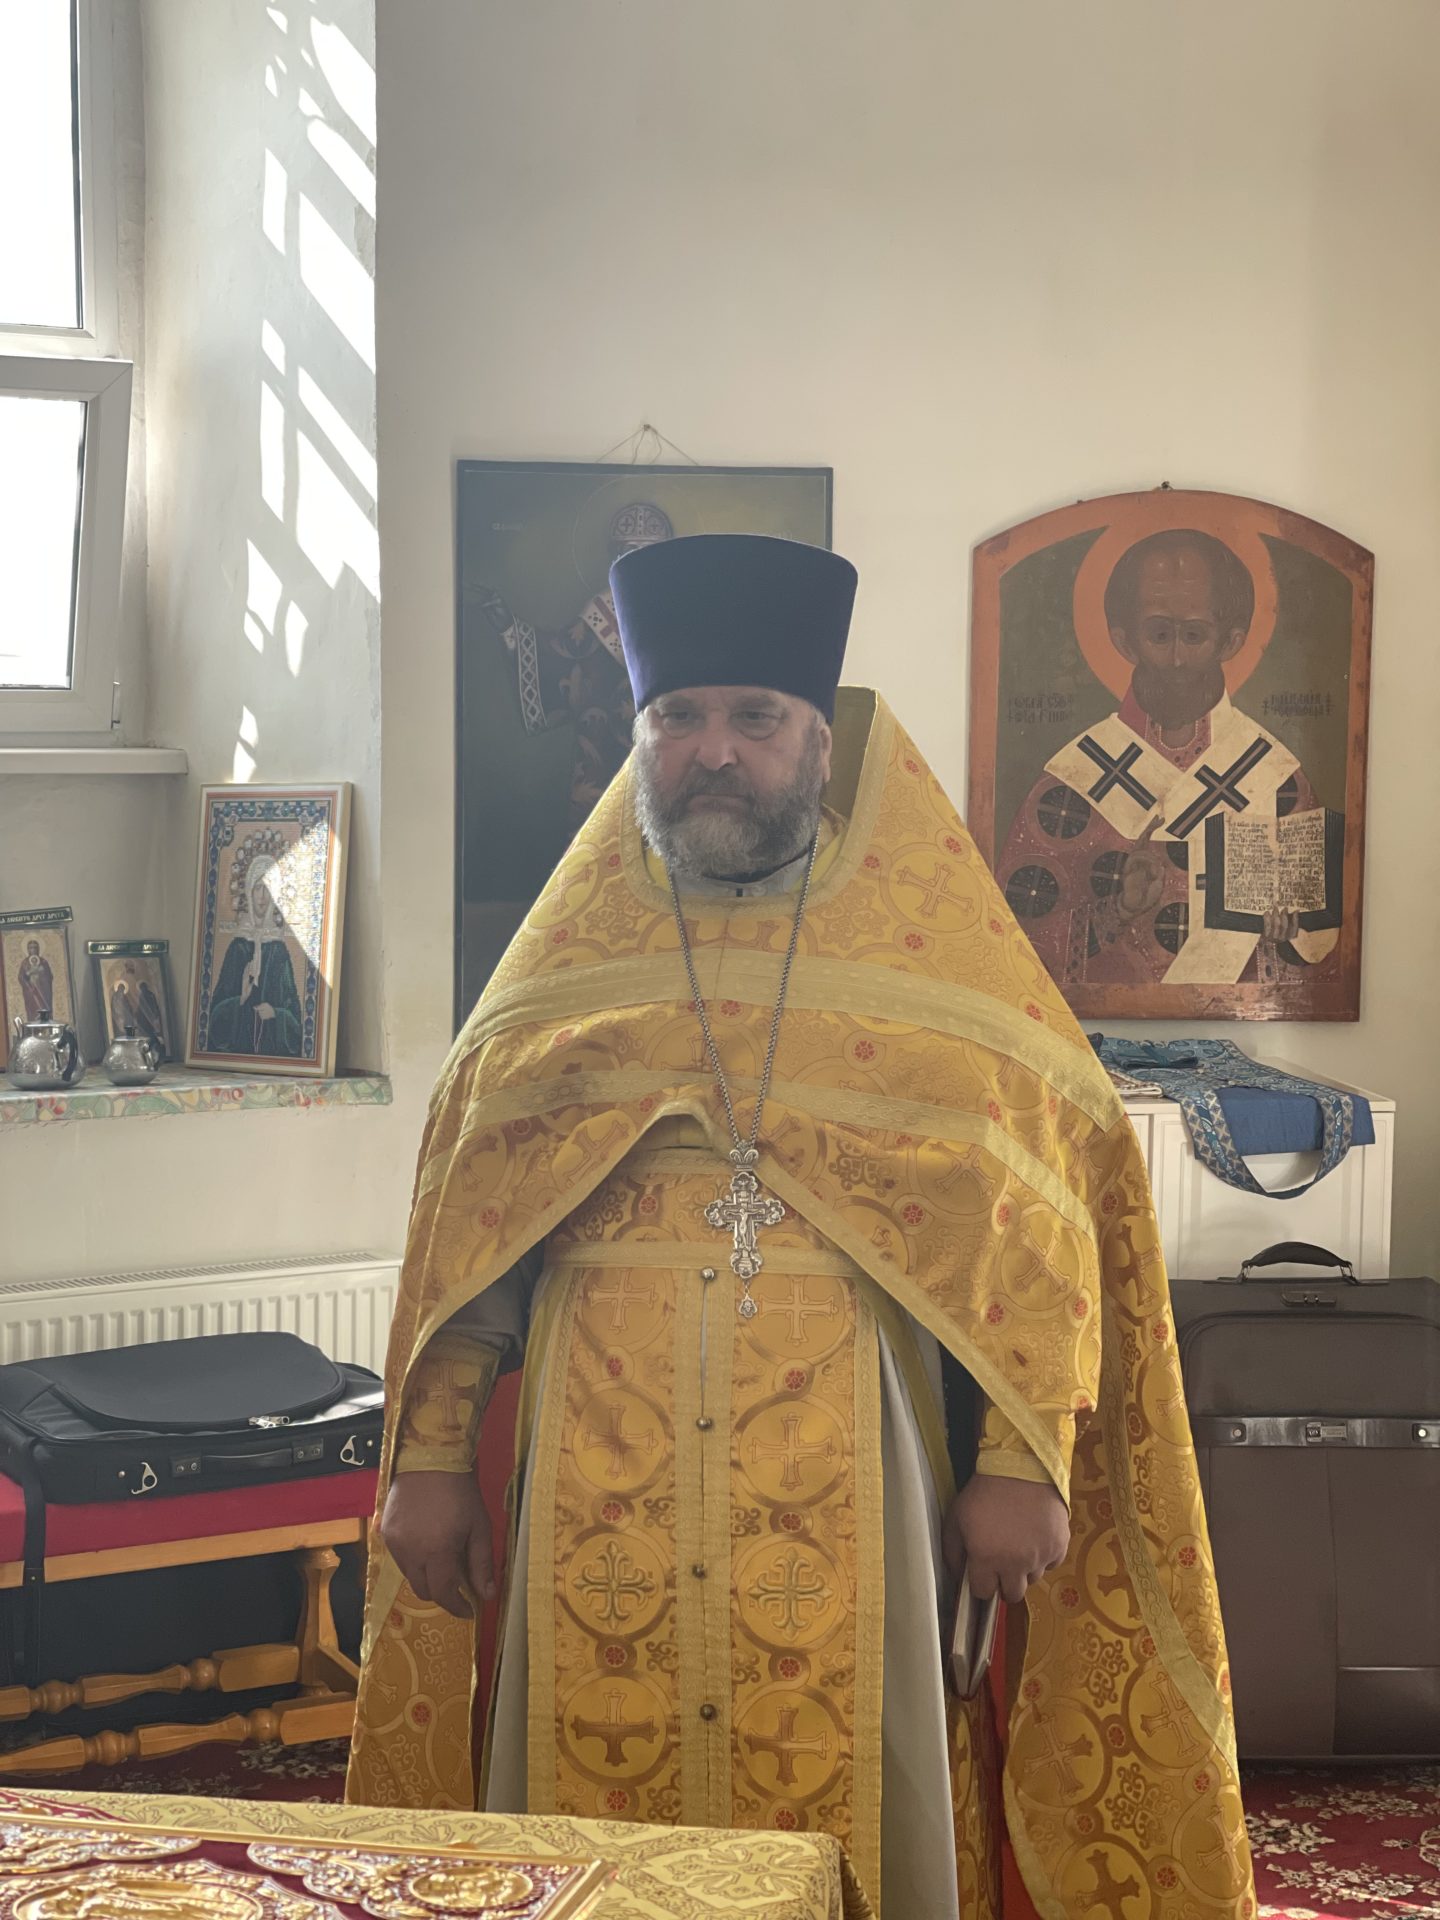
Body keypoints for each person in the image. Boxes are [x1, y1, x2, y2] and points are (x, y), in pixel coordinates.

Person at [350, 534, 1253, 1920]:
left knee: (861, 1790)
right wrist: (427, 1456)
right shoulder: (565, 975)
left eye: (755, 719)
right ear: (640, 740)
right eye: (679, 717)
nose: (714, 752)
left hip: (861, 1464)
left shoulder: (938, 963)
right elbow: (480, 1236)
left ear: (821, 744)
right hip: (595, 1468)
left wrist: (1023, 1462)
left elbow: (1039, 1212)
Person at [997, 528, 1339, 990]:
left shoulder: (1275, 775)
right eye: (1159, 633)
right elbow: (1015, 942)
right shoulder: (1075, 775)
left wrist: (1284, 934)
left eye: (1194, 635)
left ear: (1231, 642)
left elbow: (1321, 955)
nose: (1177, 658)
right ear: (1125, 641)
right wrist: (1117, 910)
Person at [207, 854, 303, 1057]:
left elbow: (294, 1015)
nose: (262, 896)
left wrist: (275, 1013)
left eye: (268, 888)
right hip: (237, 1052)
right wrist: (240, 1000)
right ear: (249, 892)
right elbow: (214, 1015)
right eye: (258, 888)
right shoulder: (237, 948)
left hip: (272, 1051)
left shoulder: (279, 951)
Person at [18, 940, 55, 1022]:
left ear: (38, 949)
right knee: (33, 1009)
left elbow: (50, 976)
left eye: (35, 947)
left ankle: (46, 1021)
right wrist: (28, 977)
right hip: (31, 992)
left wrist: (42, 974)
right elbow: (21, 977)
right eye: (31, 948)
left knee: (44, 1007)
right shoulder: (25, 963)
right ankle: (33, 1022)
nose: (33, 950)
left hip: (43, 992)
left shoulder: (43, 962)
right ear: (28, 949)